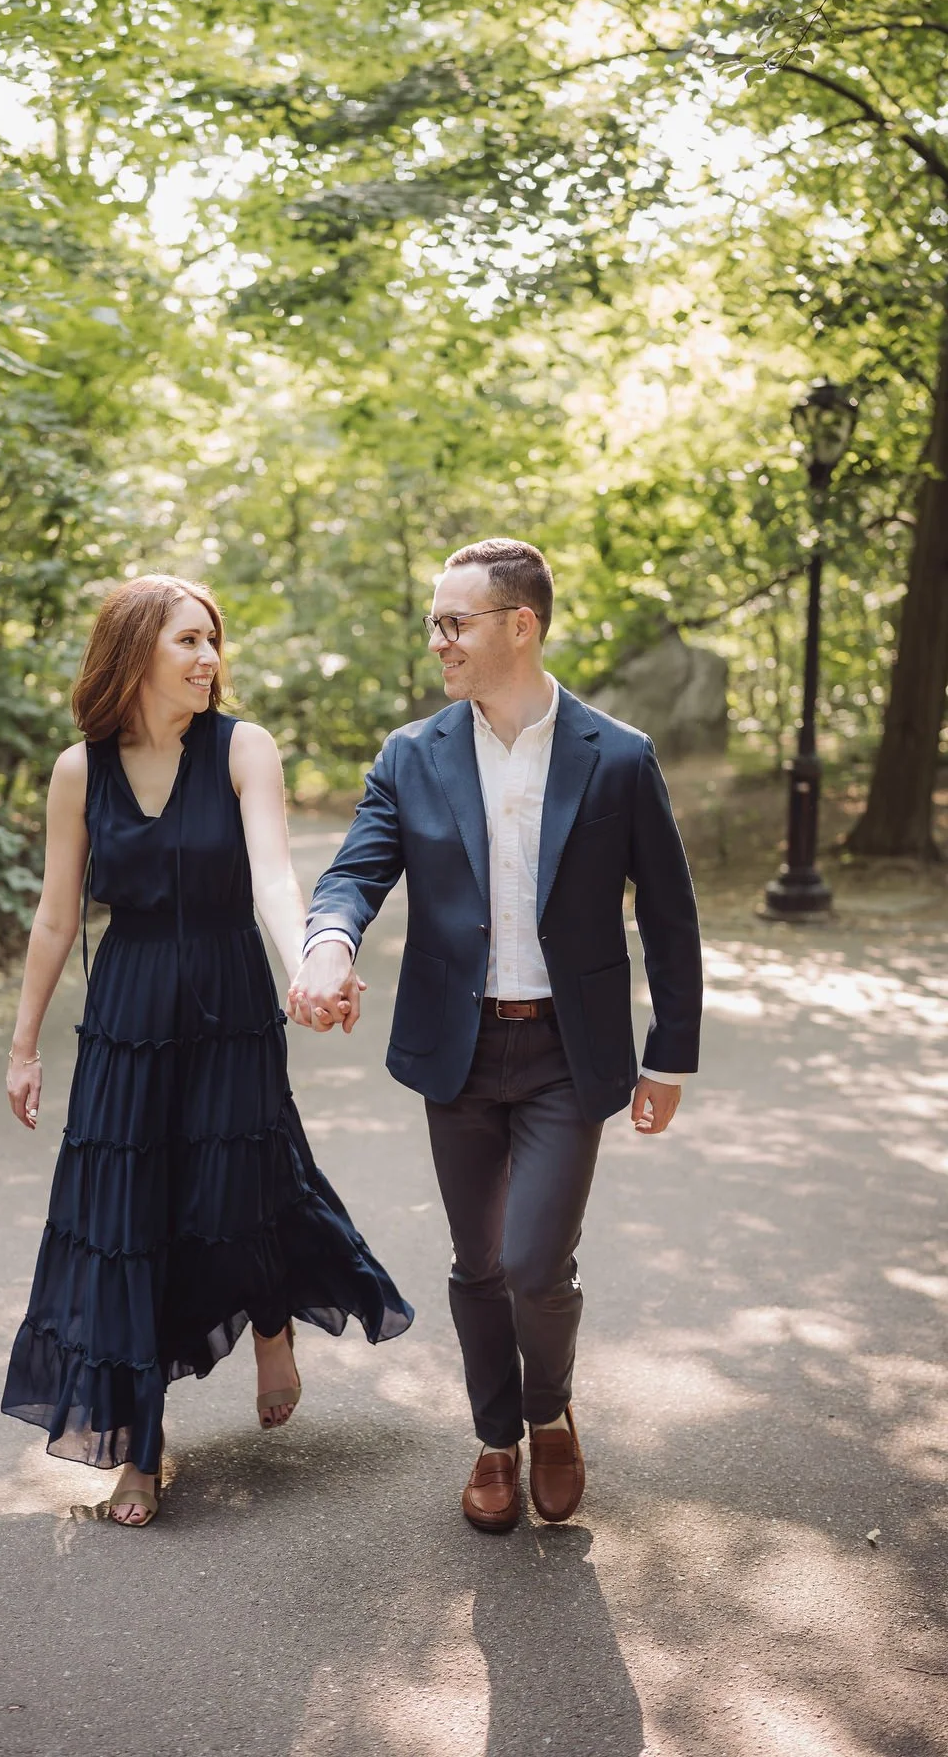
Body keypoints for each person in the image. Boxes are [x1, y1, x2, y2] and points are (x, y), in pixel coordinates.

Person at [287, 538, 701, 1532]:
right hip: (457, 1048)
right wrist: (328, 947)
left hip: (570, 1051)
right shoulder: (411, 755)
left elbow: (670, 914)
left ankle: (551, 1412)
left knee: (532, 1264)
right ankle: (494, 1440)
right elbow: (354, 874)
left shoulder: (619, 756)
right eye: (436, 623)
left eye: (454, 622)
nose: (439, 642)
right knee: (477, 1264)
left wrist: (670, 1051)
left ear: (521, 625)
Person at [1, 574, 413, 1525]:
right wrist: (24, 1048)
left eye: (213, 640)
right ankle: (137, 1449)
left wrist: (309, 961)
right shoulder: (79, 771)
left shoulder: (243, 749)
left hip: (231, 999)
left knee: (241, 1183)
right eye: (187, 640)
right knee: (126, 1219)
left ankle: (272, 1323)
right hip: (127, 1013)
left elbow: (274, 874)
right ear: (136, 651)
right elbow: (57, 917)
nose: (208, 658)